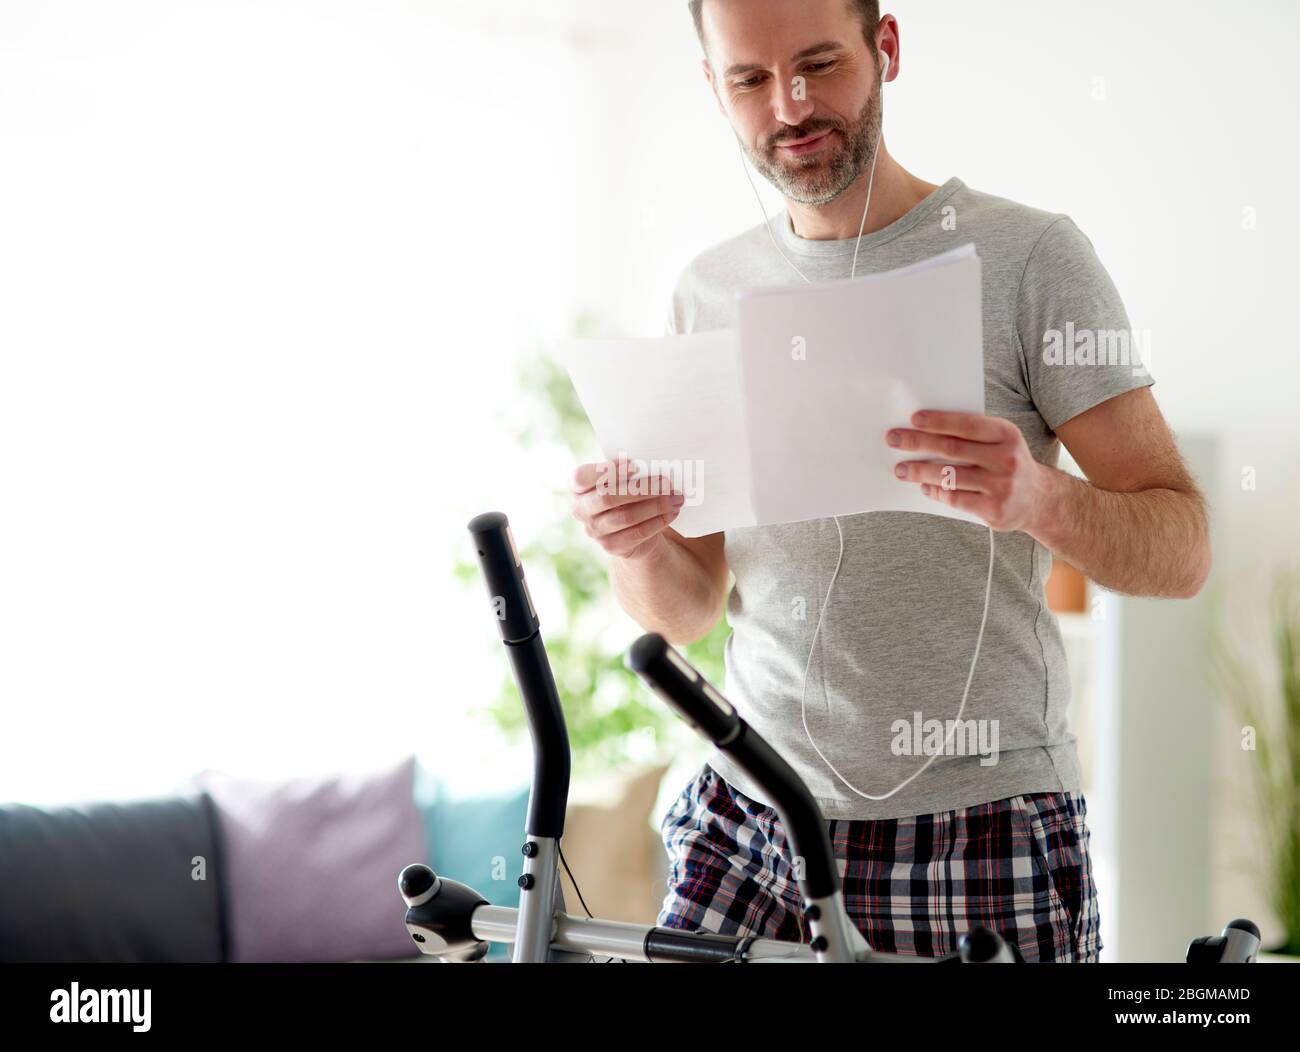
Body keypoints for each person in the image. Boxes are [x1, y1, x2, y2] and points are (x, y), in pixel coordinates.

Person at [568, 0, 1210, 962]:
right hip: (752, 811)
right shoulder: (707, 292)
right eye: (749, 79)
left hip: (983, 823)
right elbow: (686, 609)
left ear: (887, 49)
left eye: (819, 64)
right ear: (714, 88)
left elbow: (1184, 549)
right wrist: (636, 544)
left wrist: (1040, 498)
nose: (789, 105)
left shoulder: (1032, 258)